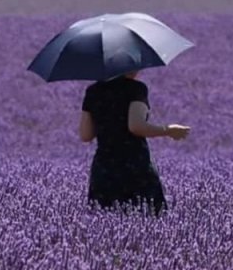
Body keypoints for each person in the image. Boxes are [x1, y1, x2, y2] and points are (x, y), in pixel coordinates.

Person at [79, 69, 191, 217]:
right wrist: (168, 130)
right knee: (149, 219)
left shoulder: (93, 91)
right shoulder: (136, 88)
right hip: (134, 165)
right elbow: (136, 126)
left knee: (104, 218)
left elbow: (85, 135)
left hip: (104, 168)